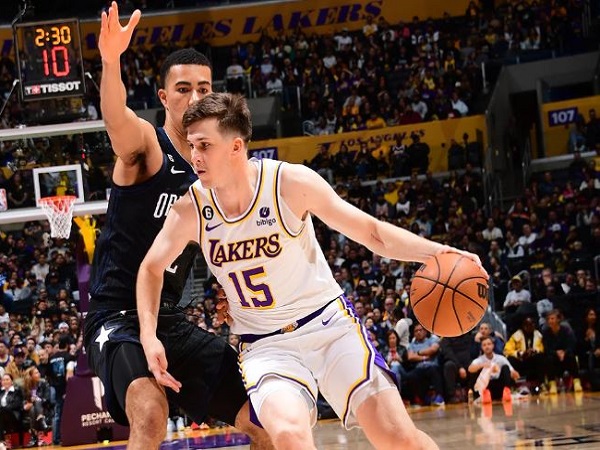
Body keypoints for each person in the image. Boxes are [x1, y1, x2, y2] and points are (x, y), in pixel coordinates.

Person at [137, 92, 488, 449]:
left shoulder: (289, 183)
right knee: (289, 436)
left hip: (328, 326)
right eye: (192, 145)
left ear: (236, 146)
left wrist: (438, 252)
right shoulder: (192, 209)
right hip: (266, 346)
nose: (195, 156)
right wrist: (149, 336)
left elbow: (372, 233)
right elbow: (150, 269)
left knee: (398, 438)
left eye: (204, 145)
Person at [82, 4, 272, 450]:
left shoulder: (217, 170)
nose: (194, 97)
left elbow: (226, 242)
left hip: (171, 319)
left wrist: (230, 287)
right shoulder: (149, 147)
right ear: (164, 98)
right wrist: (111, 62)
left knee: (269, 420)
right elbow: (116, 117)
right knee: (150, 412)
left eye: (203, 88)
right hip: (118, 318)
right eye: (182, 88)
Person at [468, 337, 519, 403]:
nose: (487, 347)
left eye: (489, 344)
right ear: (481, 347)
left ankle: (506, 392)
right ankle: (480, 396)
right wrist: (483, 365)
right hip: (487, 387)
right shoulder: (479, 360)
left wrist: (513, 374)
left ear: (493, 345)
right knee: (475, 370)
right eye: (484, 345)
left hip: (499, 386)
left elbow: (513, 372)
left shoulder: (500, 358)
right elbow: (470, 369)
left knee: (505, 367)